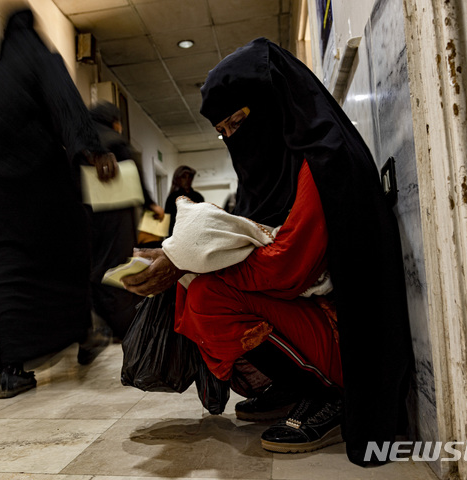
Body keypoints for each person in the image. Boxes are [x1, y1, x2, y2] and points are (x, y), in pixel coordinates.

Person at [122, 37, 412, 467]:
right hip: (315, 318)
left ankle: (329, 395)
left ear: (273, 102)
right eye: (223, 132)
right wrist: (177, 258)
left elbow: (288, 269)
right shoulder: (279, 169)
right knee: (191, 288)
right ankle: (295, 386)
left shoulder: (324, 162)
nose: (233, 139)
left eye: (238, 123)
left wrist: (188, 263)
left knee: (208, 294)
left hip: (352, 347)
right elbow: (249, 238)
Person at [0, 9, 117, 399]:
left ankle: (10, 369)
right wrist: (93, 149)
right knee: (65, 259)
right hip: (43, 182)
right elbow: (66, 103)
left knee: (6, 269)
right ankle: (84, 336)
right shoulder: (42, 62)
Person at [79, 101, 165, 363]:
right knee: (119, 271)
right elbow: (133, 174)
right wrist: (150, 203)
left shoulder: (81, 141)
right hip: (116, 215)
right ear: (114, 121)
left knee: (93, 271)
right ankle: (131, 333)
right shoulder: (116, 141)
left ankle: (91, 331)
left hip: (88, 217)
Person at [164, 166, 204, 237]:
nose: (187, 180)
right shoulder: (172, 198)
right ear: (178, 179)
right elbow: (168, 222)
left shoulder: (198, 197)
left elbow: (202, 218)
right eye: (184, 177)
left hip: (196, 234)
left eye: (190, 177)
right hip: (178, 235)